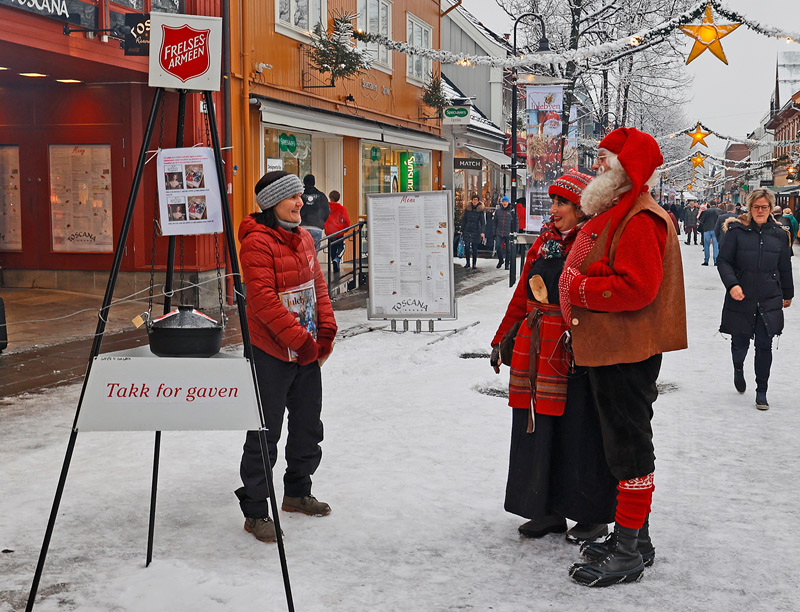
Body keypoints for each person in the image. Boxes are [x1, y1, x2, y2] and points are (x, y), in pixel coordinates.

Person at [558, 127, 687, 587]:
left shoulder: (639, 218)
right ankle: (636, 539)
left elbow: (637, 287)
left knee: (630, 452)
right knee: (621, 449)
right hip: (612, 347)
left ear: (626, 169)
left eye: (605, 159)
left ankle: (629, 552)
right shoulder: (621, 210)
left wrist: (581, 287)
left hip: (625, 351)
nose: (597, 166)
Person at [490, 169, 617, 546]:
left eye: (563, 202)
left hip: (573, 352)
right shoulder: (543, 243)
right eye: (554, 201)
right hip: (535, 348)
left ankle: (591, 515)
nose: (554, 209)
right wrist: (501, 339)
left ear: (581, 209)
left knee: (578, 432)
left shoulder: (593, 243)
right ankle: (546, 510)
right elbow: (521, 296)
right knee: (538, 429)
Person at [235, 170, 338, 543]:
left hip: (306, 350)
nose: (300, 202)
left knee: (308, 425)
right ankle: (256, 511)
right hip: (271, 352)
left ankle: (296, 492)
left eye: (298, 196)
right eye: (292, 197)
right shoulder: (256, 243)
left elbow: (317, 285)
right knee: (266, 433)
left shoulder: (304, 238)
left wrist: (326, 329)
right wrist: (301, 342)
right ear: (272, 202)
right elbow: (263, 301)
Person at [717, 189, 793, 410]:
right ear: (750, 208)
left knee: (764, 345)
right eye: (756, 207)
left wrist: (788, 293)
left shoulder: (779, 235)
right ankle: (738, 368)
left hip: (769, 298)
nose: (760, 211)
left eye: (764, 207)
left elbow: (784, 267)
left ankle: (762, 390)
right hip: (741, 297)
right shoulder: (736, 231)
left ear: (770, 209)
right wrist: (732, 285)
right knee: (740, 343)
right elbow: (723, 261)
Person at [324, 190, 351, 274]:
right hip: (339, 232)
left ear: (329, 197)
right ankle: (337, 259)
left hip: (329, 232)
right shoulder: (341, 208)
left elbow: (322, 218)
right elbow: (346, 221)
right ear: (338, 198)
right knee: (341, 247)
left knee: (332, 249)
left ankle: (335, 263)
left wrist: (325, 227)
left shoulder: (326, 208)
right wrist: (345, 229)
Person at [300, 174, 330, 249]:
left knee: (303, 251)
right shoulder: (321, 196)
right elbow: (327, 211)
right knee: (314, 251)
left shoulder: (299, 195)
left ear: (304, 182)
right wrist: (321, 221)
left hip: (301, 226)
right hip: (317, 226)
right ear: (314, 182)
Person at [461, 193, 485, 269]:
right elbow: (464, 220)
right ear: (471, 200)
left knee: (475, 248)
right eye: (474, 200)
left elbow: (482, 222)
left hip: (476, 230)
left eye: (476, 200)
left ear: (478, 201)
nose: (475, 201)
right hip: (467, 229)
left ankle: (474, 263)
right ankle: (467, 262)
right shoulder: (468, 209)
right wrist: (462, 230)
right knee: (467, 246)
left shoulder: (480, 210)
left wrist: (482, 231)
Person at [493, 195, 517, 269]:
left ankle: (507, 264)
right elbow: (494, 222)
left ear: (508, 202)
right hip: (499, 232)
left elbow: (516, 222)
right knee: (498, 246)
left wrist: (515, 232)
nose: (504, 203)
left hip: (508, 232)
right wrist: (494, 232)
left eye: (506, 202)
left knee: (508, 249)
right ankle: (501, 260)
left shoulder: (512, 212)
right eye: (503, 201)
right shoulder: (498, 211)